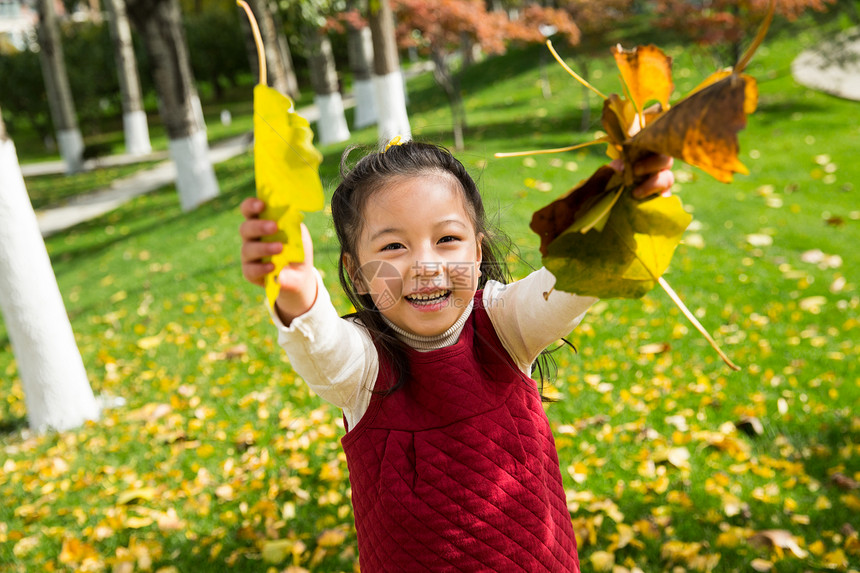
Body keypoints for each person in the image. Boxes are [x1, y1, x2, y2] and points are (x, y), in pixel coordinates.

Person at [239, 140, 674, 572]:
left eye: (447, 238)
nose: (425, 265)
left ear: (477, 252)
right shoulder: (365, 368)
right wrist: (300, 295)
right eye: (393, 246)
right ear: (357, 272)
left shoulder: (507, 325)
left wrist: (627, 202)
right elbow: (323, 347)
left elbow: (576, 275)